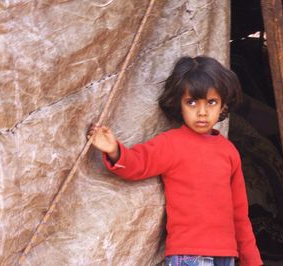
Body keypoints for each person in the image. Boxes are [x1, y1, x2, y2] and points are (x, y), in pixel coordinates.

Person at [87, 56, 263, 266]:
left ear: (223, 106)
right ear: (179, 104)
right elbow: (137, 164)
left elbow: (240, 214)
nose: (202, 112)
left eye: (212, 102)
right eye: (192, 102)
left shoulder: (229, 151)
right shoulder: (170, 144)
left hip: (226, 255)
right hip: (188, 255)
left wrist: (252, 260)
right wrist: (114, 150)